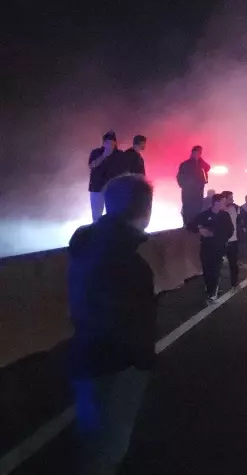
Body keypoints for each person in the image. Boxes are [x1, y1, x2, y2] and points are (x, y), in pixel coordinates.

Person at [67, 174, 156, 475]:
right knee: (111, 445)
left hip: (83, 355)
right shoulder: (131, 265)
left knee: (91, 437)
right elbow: (134, 323)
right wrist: (143, 361)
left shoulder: (84, 244)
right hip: (117, 366)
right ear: (145, 210)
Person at [188, 194, 234, 303]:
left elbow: (230, 230)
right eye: (223, 202)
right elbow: (190, 225)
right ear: (216, 203)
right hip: (206, 247)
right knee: (207, 270)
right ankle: (210, 288)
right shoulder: (204, 215)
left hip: (219, 248)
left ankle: (212, 293)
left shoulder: (225, 215)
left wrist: (219, 237)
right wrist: (200, 229)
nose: (225, 204)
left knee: (215, 270)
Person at [87, 132, 120, 221]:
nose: (110, 145)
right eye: (107, 142)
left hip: (113, 190)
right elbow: (91, 165)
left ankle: (112, 229)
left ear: (115, 143)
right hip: (97, 189)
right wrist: (104, 155)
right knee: (96, 217)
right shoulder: (96, 152)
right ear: (103, 143)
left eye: (112, 142)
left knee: (114, 215)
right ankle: (97, 229)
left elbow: (124, 171)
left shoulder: (119, 154)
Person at [176, 146, 211, 225]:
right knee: (188, 207)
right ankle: (187, 224)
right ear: (193, 152)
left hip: (198, 190)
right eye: (197, 152)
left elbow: (208, 167)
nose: (199, 154)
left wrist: (200, 159)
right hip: (188, 191)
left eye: (200, 153)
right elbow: (179, 176)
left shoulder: (200, 164)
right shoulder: (185, 164)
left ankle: (195, 224)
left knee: (197, 207)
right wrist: (184, 185)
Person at [220, 192, 247, 291]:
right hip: (220, 241)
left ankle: (234, 283)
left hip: (233, 240)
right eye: (230, 198)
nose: (232, 200)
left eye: (232, 198)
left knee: (233, 264)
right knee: (217, 264)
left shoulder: (236, 208)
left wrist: (242, 226)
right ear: (224, 199)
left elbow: (243, 218)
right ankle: (214, 286)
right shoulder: (218, 209)